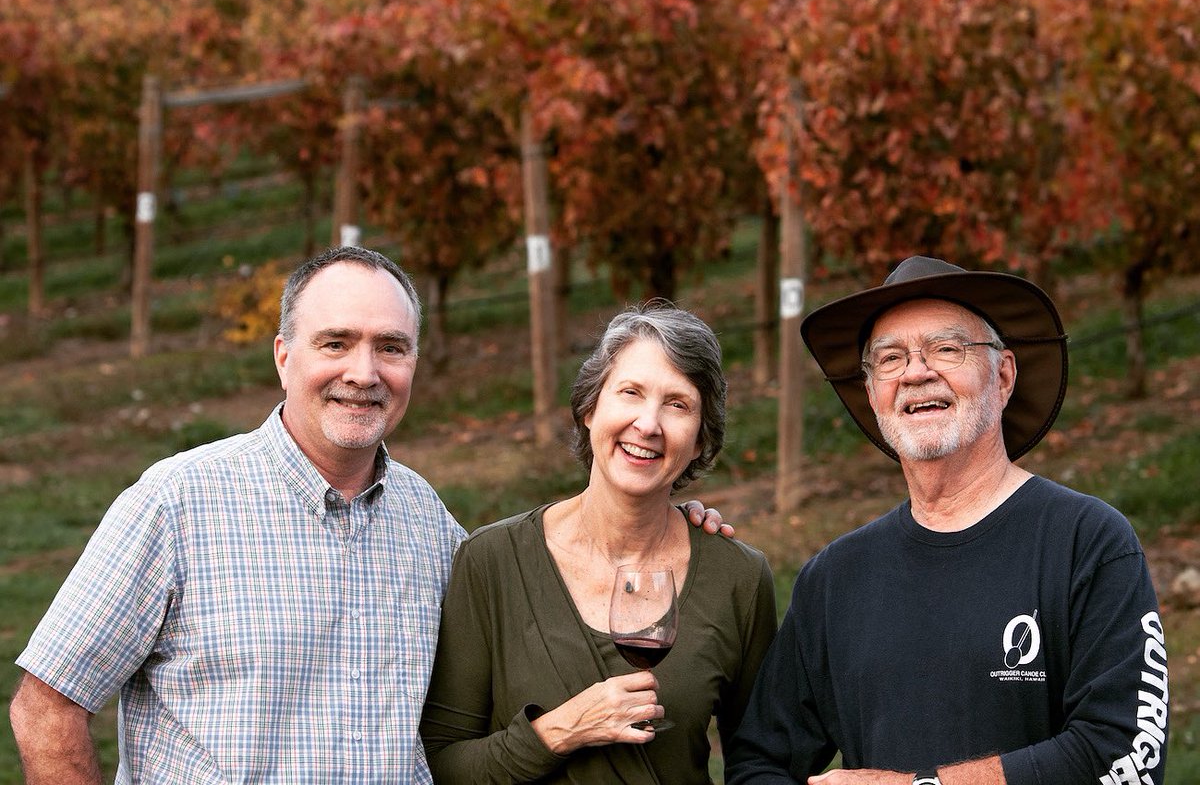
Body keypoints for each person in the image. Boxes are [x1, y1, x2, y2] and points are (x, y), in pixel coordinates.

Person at [8, 246, 730, 784]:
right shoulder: (177, 504)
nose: (364, 372)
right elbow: (47, 704)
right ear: (284, 356)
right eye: (335, 343)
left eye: (391, 347)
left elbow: (541, 581)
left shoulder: (430, 525)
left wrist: (659, 520)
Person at [725, 256, 1169, 785]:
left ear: (1002, 376)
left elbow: (1125, 754)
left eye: (946, 348)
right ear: (872, 395)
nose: (916, 372)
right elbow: (757, 763)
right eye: (890, 359)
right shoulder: (834, 580)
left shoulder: (1087, 543)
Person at [420, 301, 778, 783]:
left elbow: (760, 764)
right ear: (590, 408)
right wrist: (560, 731)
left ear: (699, 440)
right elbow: (442, 764)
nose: (648, 424)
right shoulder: (491, 562)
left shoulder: (738, 578)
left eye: (677, 404)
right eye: (630, 392)